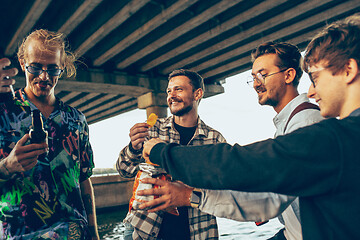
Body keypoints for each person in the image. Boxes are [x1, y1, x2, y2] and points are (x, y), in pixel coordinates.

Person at [143, 14, 360, 240]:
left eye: (315, 78)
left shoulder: (324, 133)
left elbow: (241, 165)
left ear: (348, 70)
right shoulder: (324, 131)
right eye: (253, 76)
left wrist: (164, 153)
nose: (312, 92)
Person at [0, 29, 99, 239]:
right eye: (35, 67)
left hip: (75, 234)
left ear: (62, 66)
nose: (44, 76)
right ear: (22, 62)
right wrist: (7, 166)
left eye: (53, 69)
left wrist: (95, 234)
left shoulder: (77, 119)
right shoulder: (3, 112)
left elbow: (83, 180)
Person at [116, 69, 226, 239]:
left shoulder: (214, 139)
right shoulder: (151, 130)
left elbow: (225, 191)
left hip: (198, 231)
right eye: (169, 91)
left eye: (178, 89)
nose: (171, 95)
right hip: (144, 229)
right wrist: (133, 147)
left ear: (197, 94)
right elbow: (124, 170)